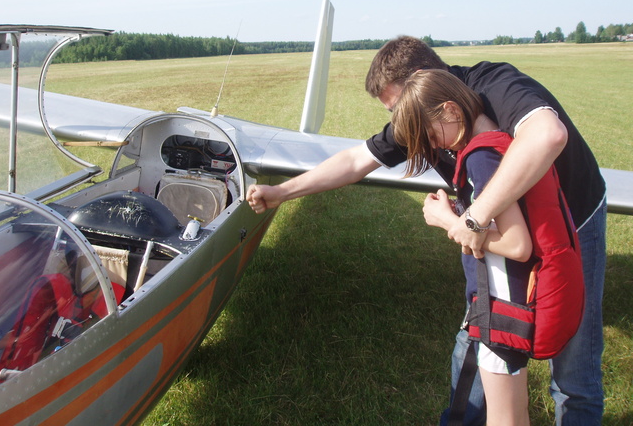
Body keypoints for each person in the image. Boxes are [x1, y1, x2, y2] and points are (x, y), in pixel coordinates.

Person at [246, 36, 607, 425]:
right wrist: (281, 191)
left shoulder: (493, 87)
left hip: (570, 222)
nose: (404, 128)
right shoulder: (429, 117)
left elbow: (547, 135)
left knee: (572, 367)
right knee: (484, 342)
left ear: (424, 84)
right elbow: (355, 161)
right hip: (501, 242)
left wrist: (468, 219)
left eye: (397, 108)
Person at [392, 69, 535, 426]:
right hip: (506, 305)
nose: (433, 146)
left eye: (429, 134)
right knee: (516, 413)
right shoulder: (491, 144)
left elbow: (518, 244)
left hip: (500, 309)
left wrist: (447, 221)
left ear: (452, 111)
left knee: (503, 419)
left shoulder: (480, 159)